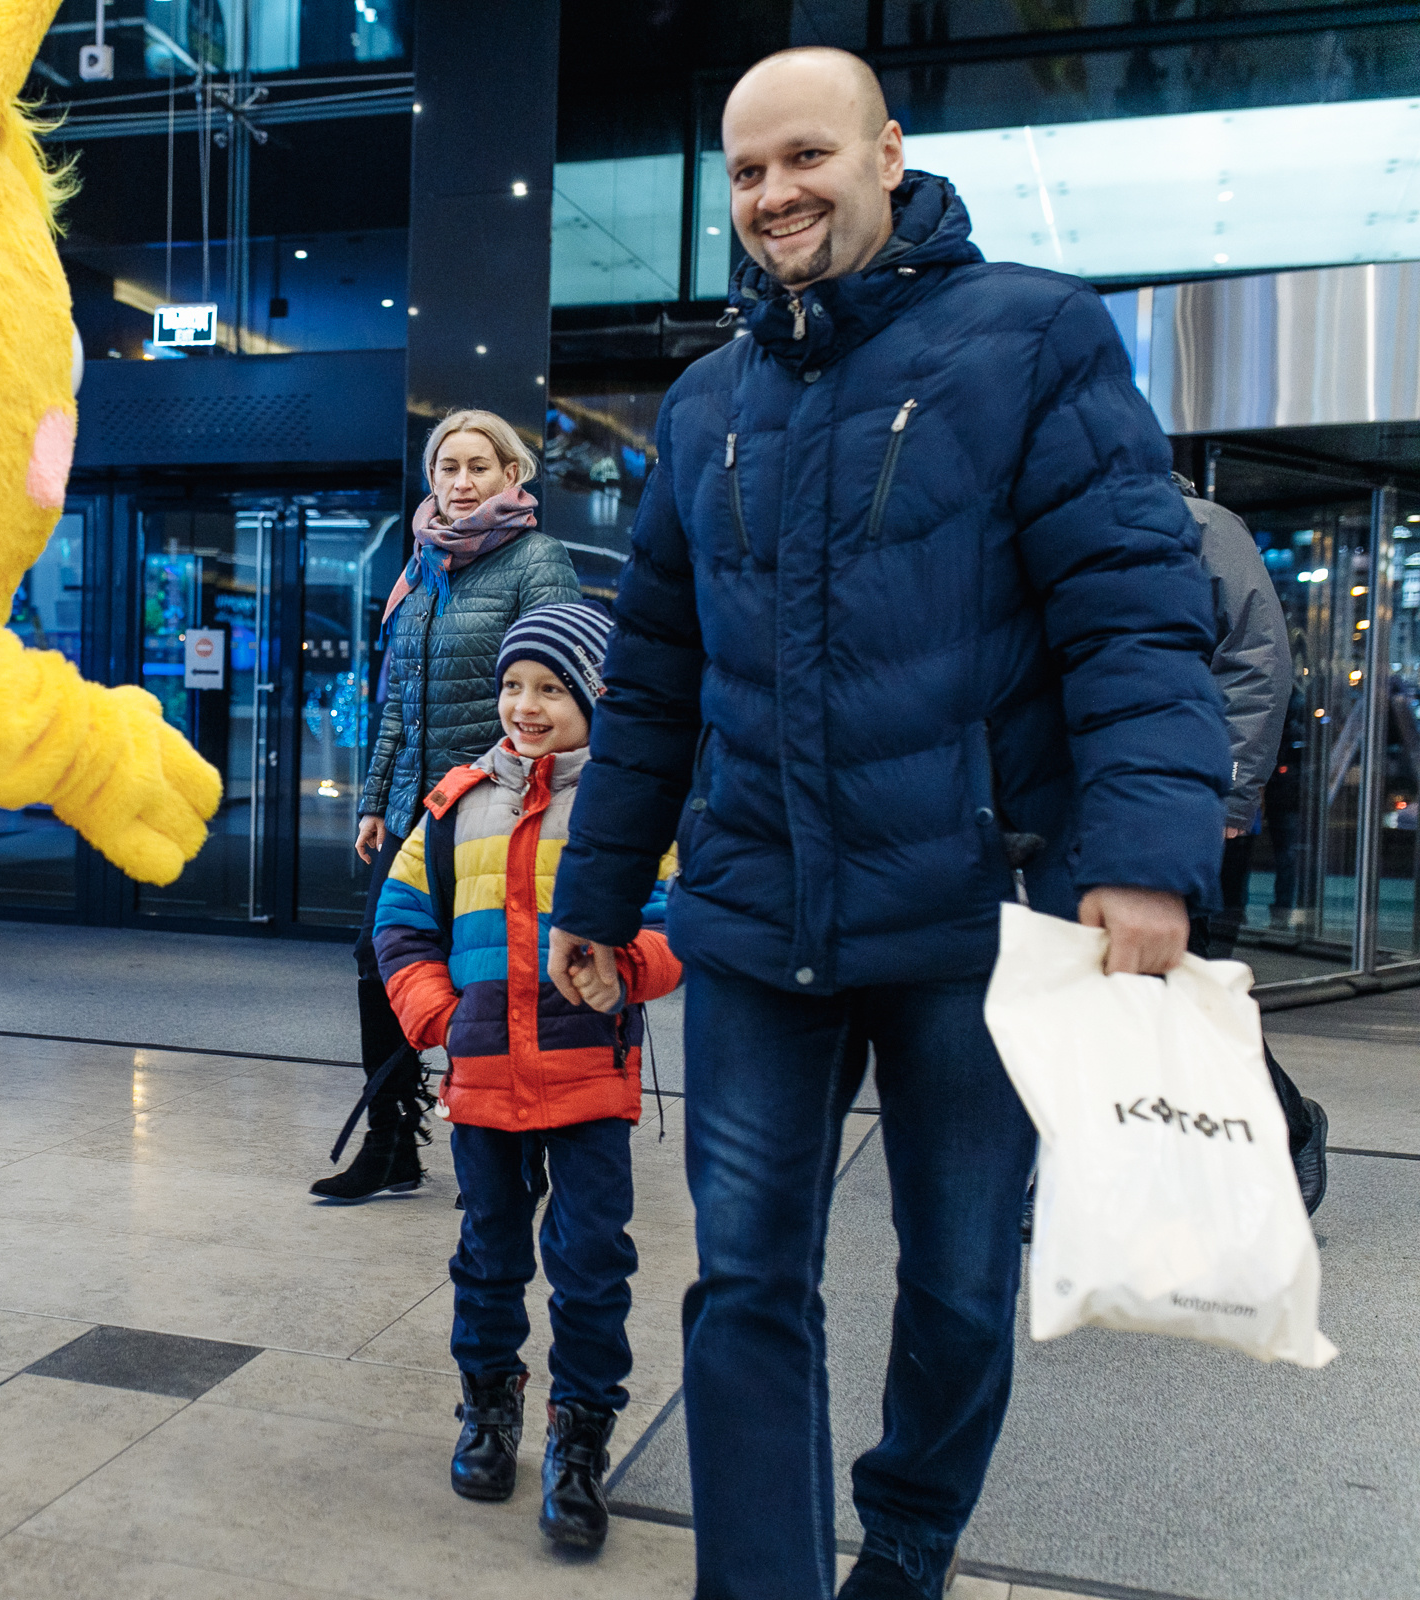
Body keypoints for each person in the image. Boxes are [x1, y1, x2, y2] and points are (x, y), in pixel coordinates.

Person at [547, 47, 1230, 1600]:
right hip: (749, 914)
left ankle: (907, 1547)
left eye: (806, 157)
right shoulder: (706, 399)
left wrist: (1138, 862)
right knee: (747, 1285)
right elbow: (653, 678)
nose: (775, 193)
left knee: (963, 1289)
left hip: (971, 927)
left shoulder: (1035, 338)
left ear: (887, 152)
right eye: (746, 171)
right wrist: (597, 891)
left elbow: (1130, 616)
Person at [371, 603, 682, 1552]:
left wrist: (624, 971)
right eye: (514, 685)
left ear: (593, 698)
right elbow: (398, 923)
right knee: (489, 1254)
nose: (527, 704)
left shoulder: (627, 813)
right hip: (485, 1077)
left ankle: (579, 1434)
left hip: (588, 1073)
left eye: (551, 688)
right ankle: (490, 1406)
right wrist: (438, 1018)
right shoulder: (455, 801)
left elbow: (673, 929)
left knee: (591, 1266)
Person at [312, 409, 581, 1201]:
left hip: (496, 806)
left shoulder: (538, 559)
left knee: (486, 974)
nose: (460, 484)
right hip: (416, 811)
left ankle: (508, 1144)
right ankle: (393, 1140)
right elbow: (397, 696)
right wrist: (376, 800)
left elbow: (556, 689)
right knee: (381, 962)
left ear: (512, 476)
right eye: (446, 468)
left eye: (478, 468)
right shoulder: (422, 563)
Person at [1176, 474, 1328, 1210]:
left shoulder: (1203, 524)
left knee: (1187, 978)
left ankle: (1286, 1124)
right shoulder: (1056, 523)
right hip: (1076, 795)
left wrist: (1234, 791)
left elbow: (1257, 660)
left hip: (1180, 791)